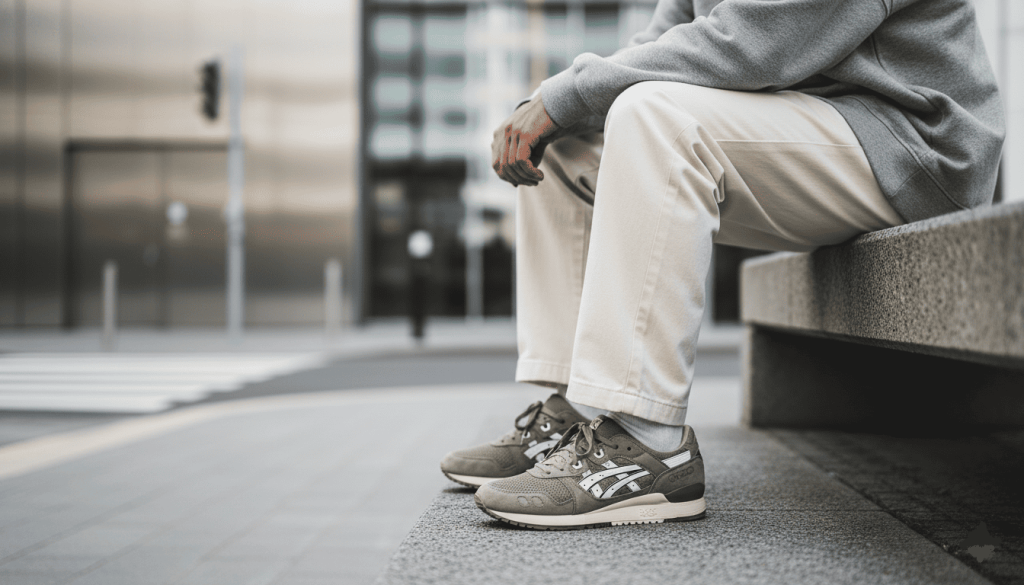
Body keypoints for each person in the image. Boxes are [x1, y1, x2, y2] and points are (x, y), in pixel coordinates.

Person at [441, 0, 1004, 529]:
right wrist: (559, 106)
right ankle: (579, 410)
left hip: (913, 144)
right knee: (568, 141)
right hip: (807, 124)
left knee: (650, 113)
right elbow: (663, 40)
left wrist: (564, 95)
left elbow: (758, 43)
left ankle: (648, 444)